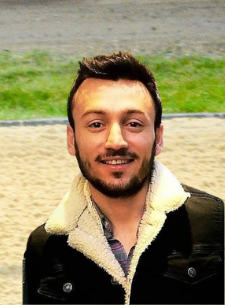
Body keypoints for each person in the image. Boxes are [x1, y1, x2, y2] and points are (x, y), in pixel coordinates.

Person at [23, 52, 223, 304]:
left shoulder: (215, 223)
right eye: (96, 124)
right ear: (72, 139)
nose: (115, 141)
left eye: (134, 124)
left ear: (158, 138)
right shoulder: (45, 247)